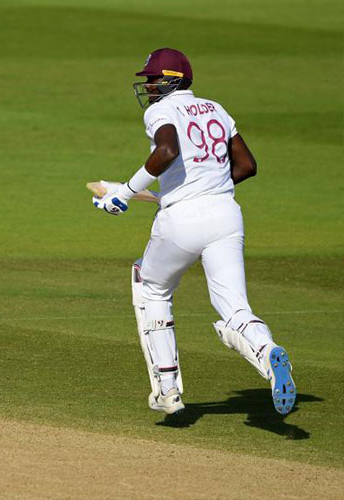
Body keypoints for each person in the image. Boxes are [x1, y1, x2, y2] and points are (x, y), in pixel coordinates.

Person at [92, 48, 296, 416]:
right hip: (226, 215)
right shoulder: (217, 108)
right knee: (234, 308)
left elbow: (167, 149)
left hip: (182, 220)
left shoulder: (161, 110)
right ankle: (268, 351)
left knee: (150, 284)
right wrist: (207, 186)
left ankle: (168, 389)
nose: (149, 86)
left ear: (171, 79)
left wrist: (123, 192)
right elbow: (247, 166)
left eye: (152, 79)